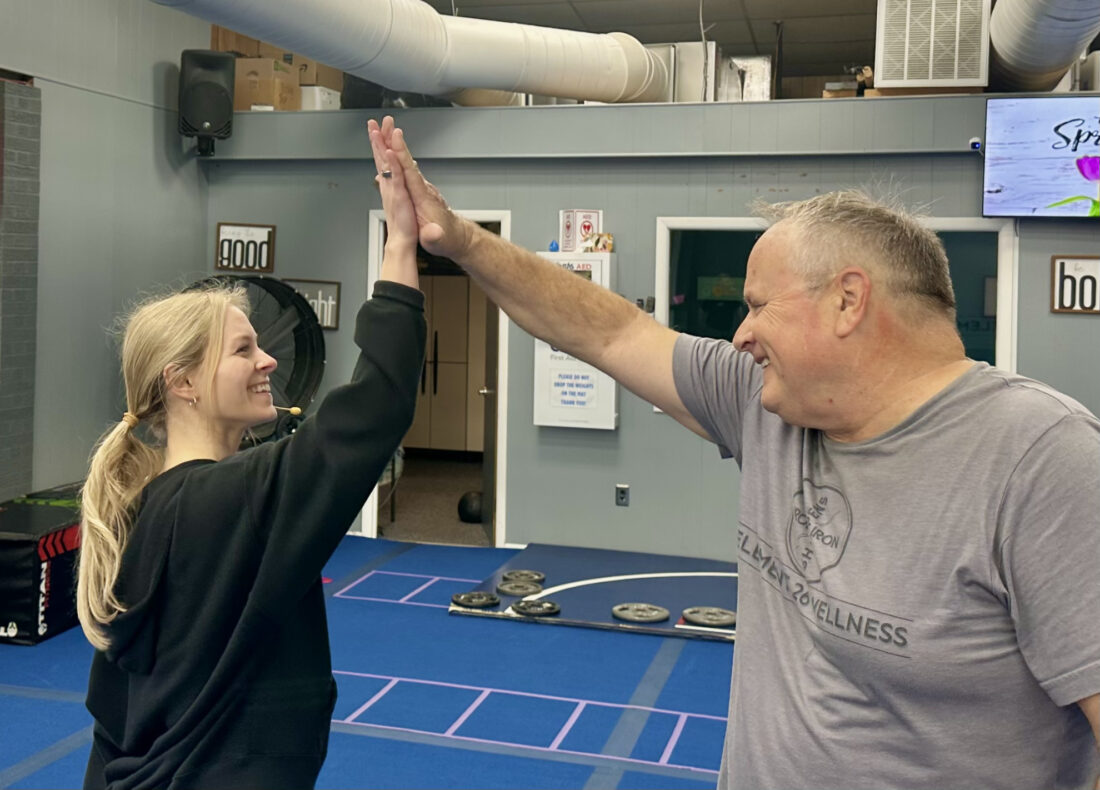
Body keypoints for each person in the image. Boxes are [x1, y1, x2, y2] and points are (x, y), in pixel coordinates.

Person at [371, 116, 1100, 790]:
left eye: (757, 305)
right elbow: (609, 331)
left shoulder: (1043, 462)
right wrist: (459, 240)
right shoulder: (763, 402)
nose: (741, 335)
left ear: (848, 301)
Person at [78, 118, 424, 790]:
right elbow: (375, 407)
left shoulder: (140, 510)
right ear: (181, 383)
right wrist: (402, 243)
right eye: (243, 350)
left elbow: (111, 722)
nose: (269, 360)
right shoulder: (233, 497)